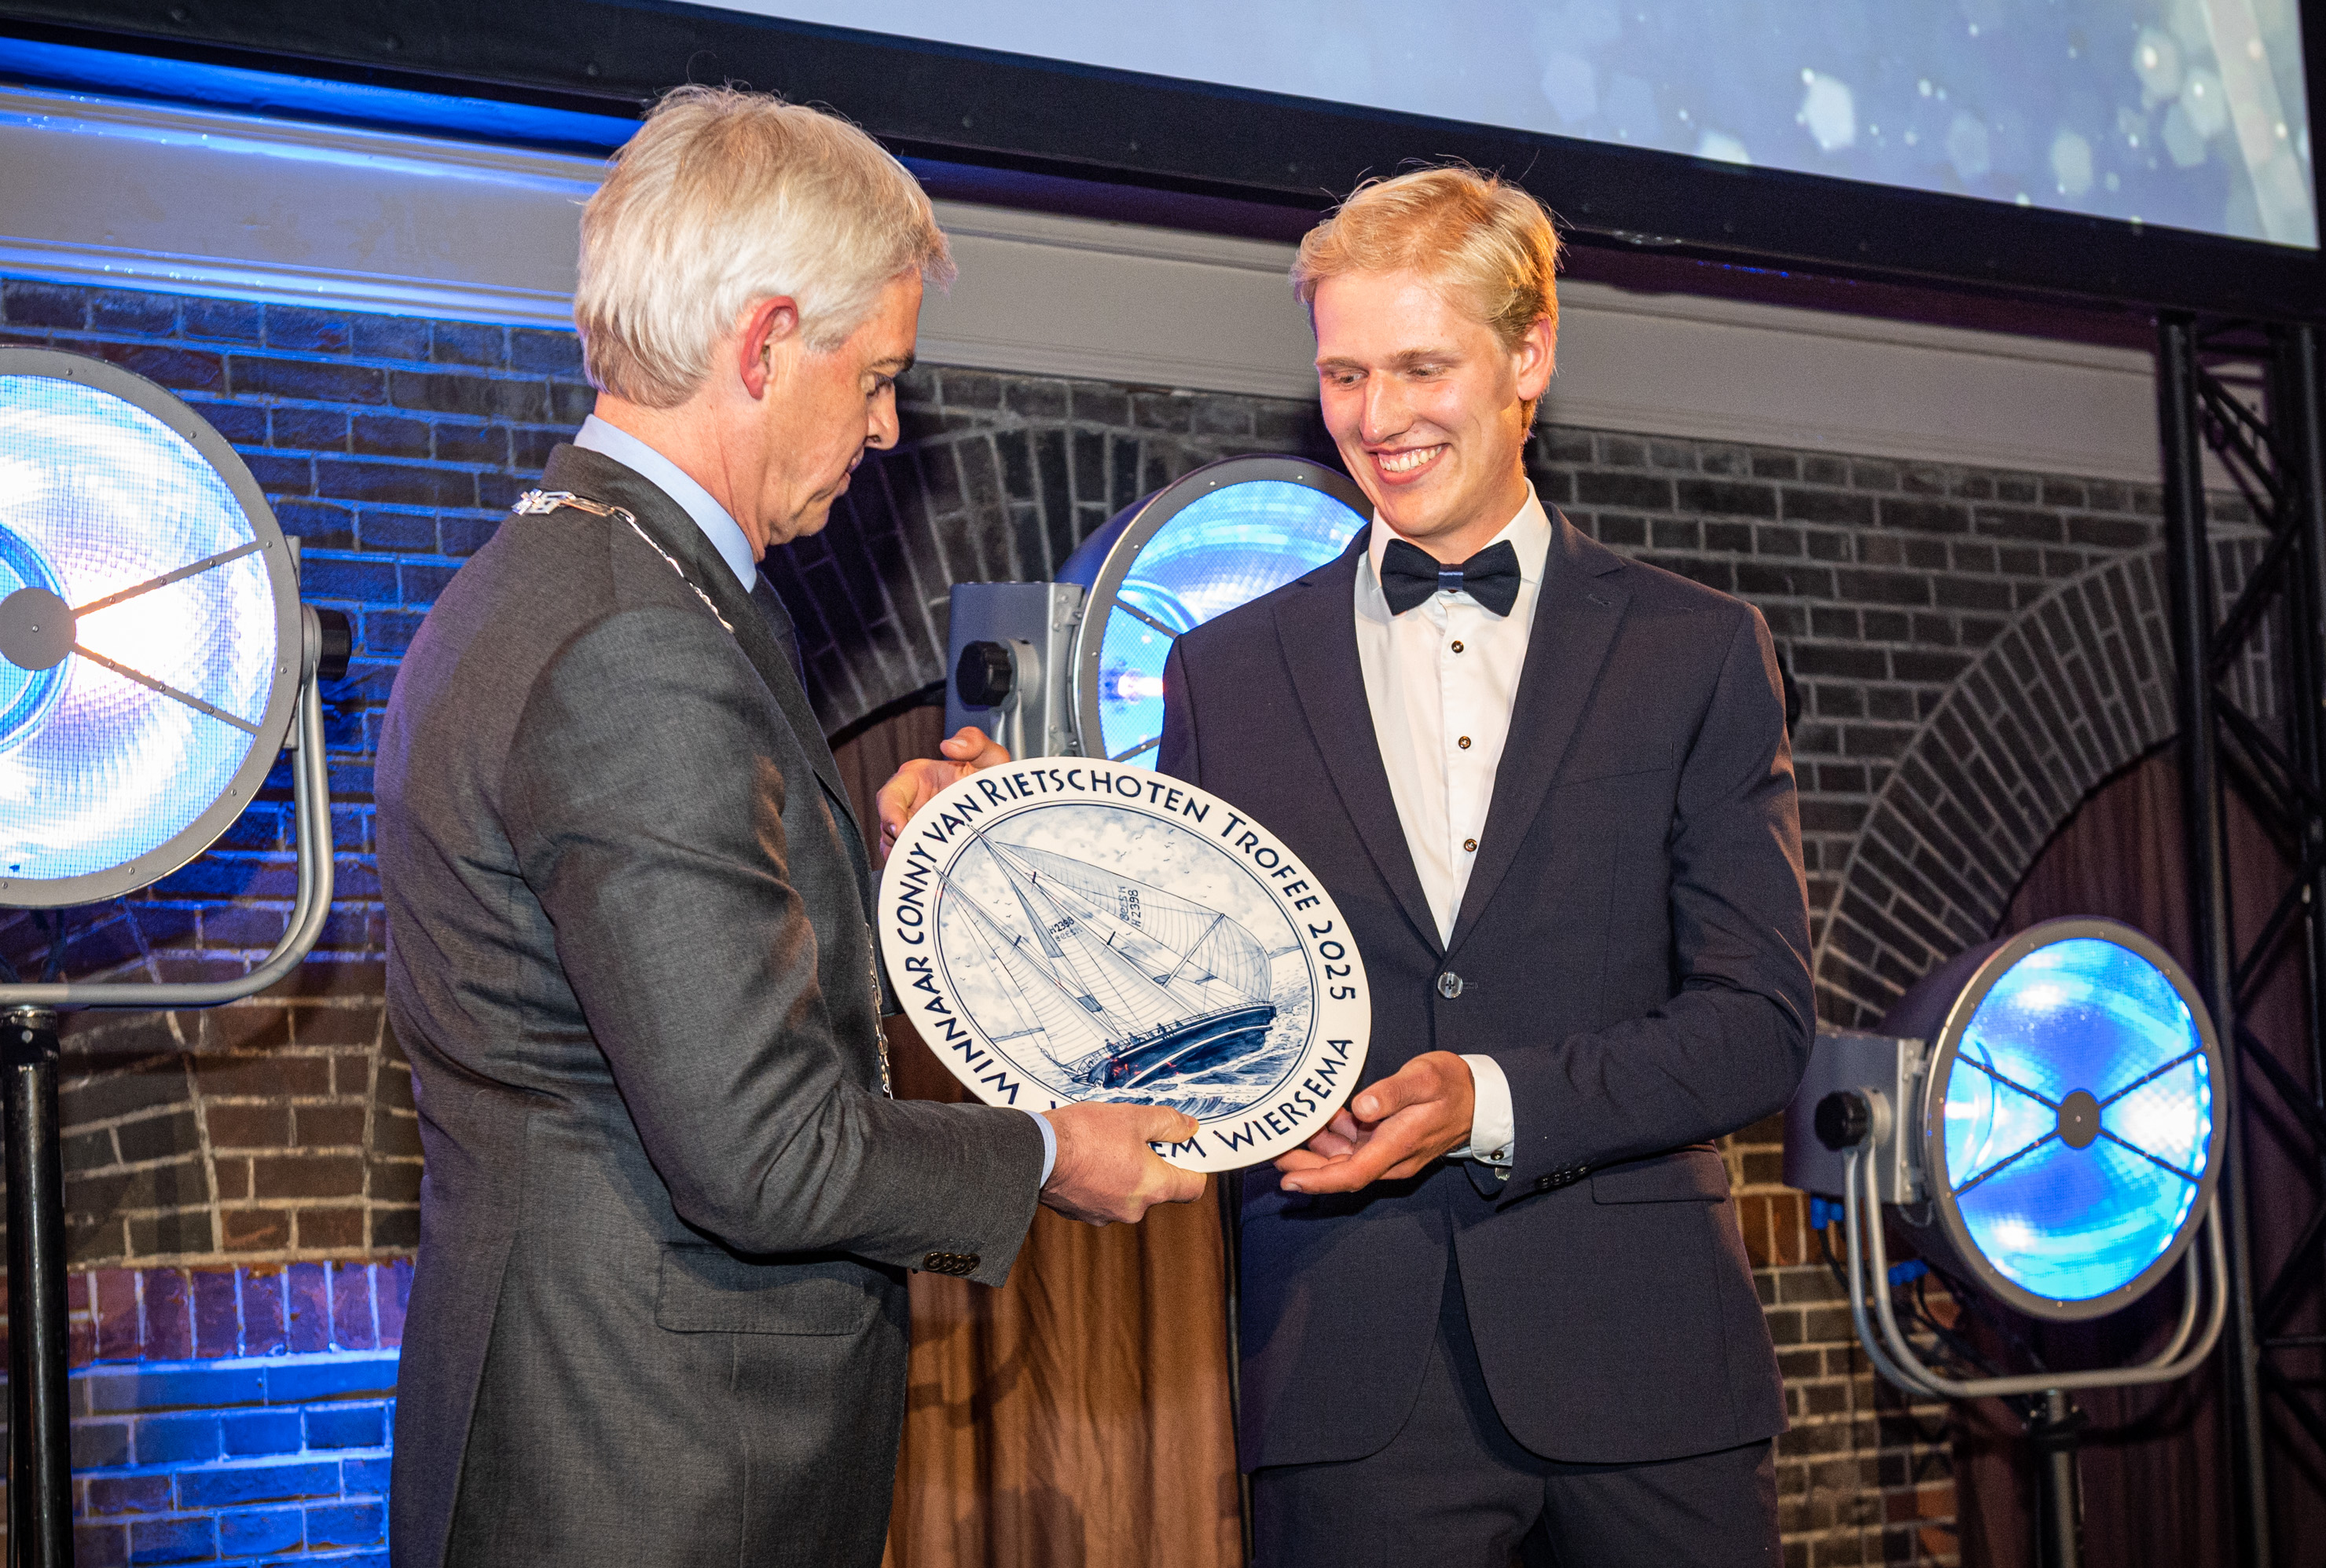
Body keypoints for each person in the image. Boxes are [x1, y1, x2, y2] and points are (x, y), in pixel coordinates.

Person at [889, 165, 1812, 1565]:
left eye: (1421, 368)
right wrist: (1002, 847)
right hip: (1345, 1379)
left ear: (1532, 354)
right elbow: (1165, 1004)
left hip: (1650, 1371)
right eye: (1343, 374)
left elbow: (1760, 1025)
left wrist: (1489, 1100)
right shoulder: (1226, 672)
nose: (1378, 419)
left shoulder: (1695, 650)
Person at [376, 86, 1202, 1568]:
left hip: (597, 1426)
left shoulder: (560, 580)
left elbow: (650, 995)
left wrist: (884, 871)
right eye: (876, 376)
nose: (885, 427)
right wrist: (1045, 1156)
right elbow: (763, 1156)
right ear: (763, 345)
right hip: (658, 1468)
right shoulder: (636, 640)